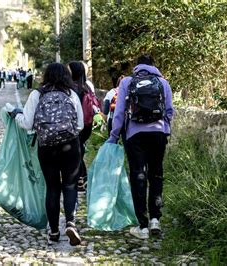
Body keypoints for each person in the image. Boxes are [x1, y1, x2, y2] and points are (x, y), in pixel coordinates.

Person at [10, 63, 84, 246]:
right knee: (70, 186)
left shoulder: (37, 94)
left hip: (47, 147)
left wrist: (16, 115)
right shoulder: (71, 94)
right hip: (70, 146)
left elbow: (27, 124)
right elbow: (80, 124)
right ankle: (71, 223)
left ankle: (53, 231)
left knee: (52, 187)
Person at [106, 54, 174, 239]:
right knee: (156, 174)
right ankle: (155, 220)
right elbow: (169, 111)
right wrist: (164, 130)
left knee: (138, 176)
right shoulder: (163, 83)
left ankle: (142, 226)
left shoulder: (127, 82)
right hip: (158, 134)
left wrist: (113, 137)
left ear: (136, 67)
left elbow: (119, 112)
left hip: (134, 135)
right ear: (153, 66)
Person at [68, 61, 96, 192]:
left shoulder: (70, 88)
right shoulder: (87, 87)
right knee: (79, 150)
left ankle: (81, 178)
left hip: (75, 124)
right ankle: (81, 179)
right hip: (87, 125)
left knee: (76, 151)